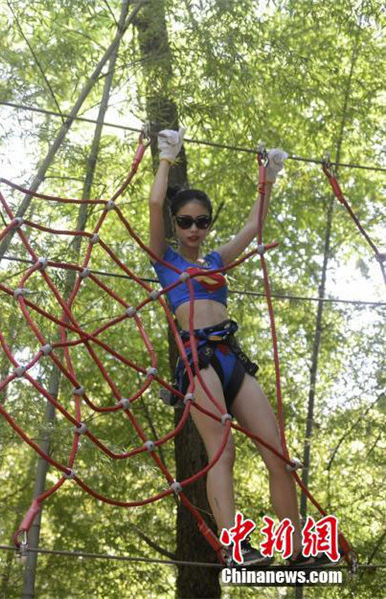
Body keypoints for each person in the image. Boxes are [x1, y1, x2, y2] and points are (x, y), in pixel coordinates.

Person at [147, 128, 326, 566]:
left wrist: (268, 178)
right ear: (175, 224)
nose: (193, 229)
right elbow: (154, 203)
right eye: (185, 221)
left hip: (231, 356)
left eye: (201, 221)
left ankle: (298, 550)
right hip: (197, 360)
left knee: (278, 456)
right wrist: (167, 157)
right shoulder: (164, 260)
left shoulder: (215, 261)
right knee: (221, 451)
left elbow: (253, 226)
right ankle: (234, 545)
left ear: (208, 225)